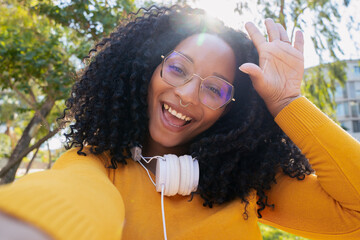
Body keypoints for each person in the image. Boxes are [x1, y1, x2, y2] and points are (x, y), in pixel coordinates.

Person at [0, 5, 359, 240]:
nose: (187, 95)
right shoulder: (94, 164)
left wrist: (286, 102)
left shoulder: (246, 184)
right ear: (145, 70)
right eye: (177, 69)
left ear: (230, 109)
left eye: (215, 89)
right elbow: (71, 198)